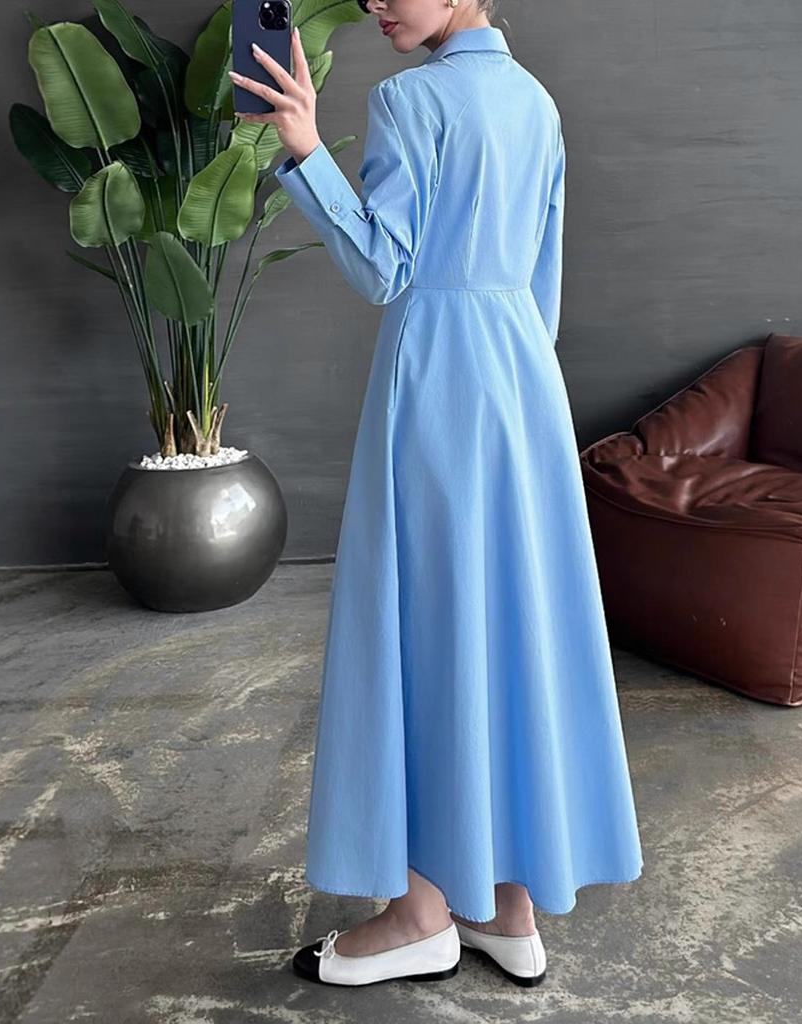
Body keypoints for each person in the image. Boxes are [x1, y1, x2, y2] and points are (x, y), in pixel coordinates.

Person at [229, 0, 643, 988]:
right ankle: (506, 906)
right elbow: (541, 284)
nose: (376, 1)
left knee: (426, 629)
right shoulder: (536, 102)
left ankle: (419, 913)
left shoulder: (411, 101)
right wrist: (517, 382)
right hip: (525, 387)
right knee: (506, 625)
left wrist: (303, 150)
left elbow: (382, 268)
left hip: (440, 384)